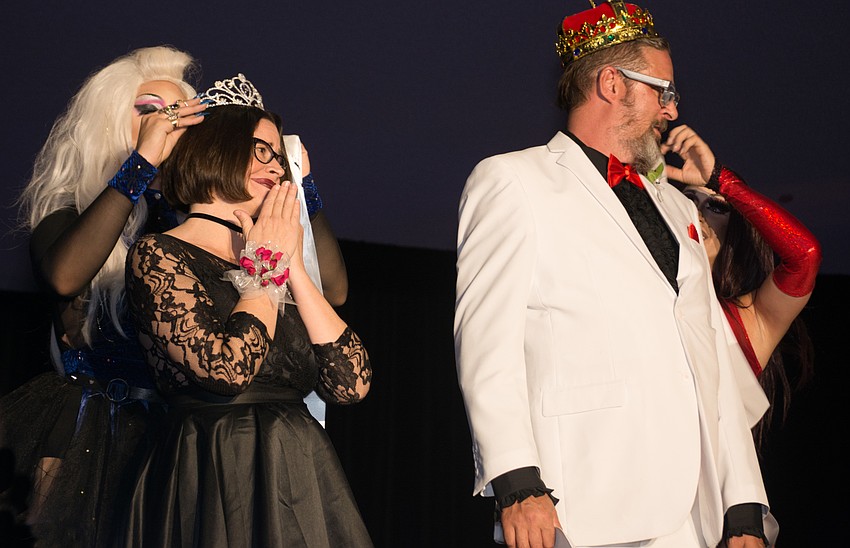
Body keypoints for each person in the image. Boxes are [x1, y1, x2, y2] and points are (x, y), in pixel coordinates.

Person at [454, 3, 773, 547]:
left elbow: (709, 354)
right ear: (611, 84)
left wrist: (743, 506)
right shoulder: (514, 181)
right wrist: (515, 481)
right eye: (662, 90)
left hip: (693, 517)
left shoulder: (679, 209)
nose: (672, 110)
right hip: (581, 502)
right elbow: (487, 344)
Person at [119, 74, 372, 547]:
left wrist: (291, 264)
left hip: (296, 474)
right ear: (216, 147)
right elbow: (226, 369)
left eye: (279, 156)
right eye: (262, 150)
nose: (276, 167)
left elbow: (351, 383)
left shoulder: (274, 255)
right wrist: (263, 273)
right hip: (211, 471)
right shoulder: (159, 255)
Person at [0, 46, 204, 546]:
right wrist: (139, 166)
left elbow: (335, 289)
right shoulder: (67, 211)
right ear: (112, 118)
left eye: (179, 116)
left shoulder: (188, 226)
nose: (166, 125)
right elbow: (65, 276)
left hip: (173, 436)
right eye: (151, 110)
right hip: (89, 429)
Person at [663, 125, 821, 442]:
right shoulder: (641, 292)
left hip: (705, 483)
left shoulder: (751, 319)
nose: (697, 208)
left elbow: (805, 256)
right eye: (689, 198)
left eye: (717, 206)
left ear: (737, 233)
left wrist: (722, 180)